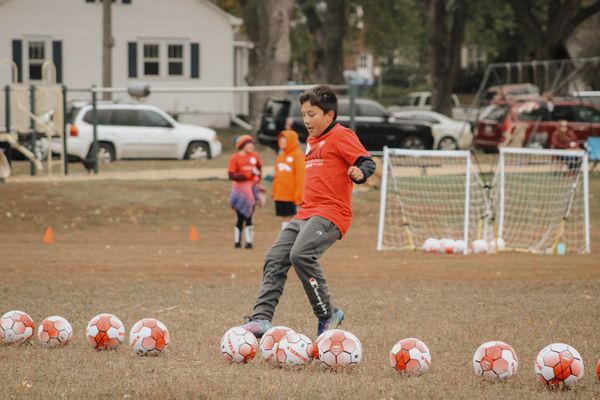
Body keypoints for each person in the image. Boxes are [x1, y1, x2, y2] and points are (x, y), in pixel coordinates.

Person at [241, 85, 376, 338]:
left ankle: (328, 314)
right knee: (275, 257)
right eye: (303, 114)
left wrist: (360, 173)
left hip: (331, 213)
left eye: (312, 114)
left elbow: (366, 161)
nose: (306, 120)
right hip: (305, 213)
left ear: (329, 115)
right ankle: (261, 318)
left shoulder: (341, 135)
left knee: (301, 254)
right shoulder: (312, 141)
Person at [228, 135, 264, 249]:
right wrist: (248, 175)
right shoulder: (235, 158)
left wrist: (257, 177)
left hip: (252, 189)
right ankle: (237, 242)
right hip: (240, 190)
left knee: (249, 216)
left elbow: (259, 169)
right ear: (242, 145)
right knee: (240, 217)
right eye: (248, 144)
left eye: (252, 144)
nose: (251, 146)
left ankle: (249, 242)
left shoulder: (255, 156)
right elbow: (231, 175)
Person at [272, 130, 305, 231]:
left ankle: (293, 241)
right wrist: (275, 192)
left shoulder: (298, 155)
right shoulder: (281, 156)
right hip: (281, 195)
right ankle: (284, 241)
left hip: (292, 196)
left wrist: (299, 197)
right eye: (280, 140)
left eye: (284, 140)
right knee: (285, 219)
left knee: (294, 219)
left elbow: (301, 177)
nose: (281, 142)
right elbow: (277, 177)